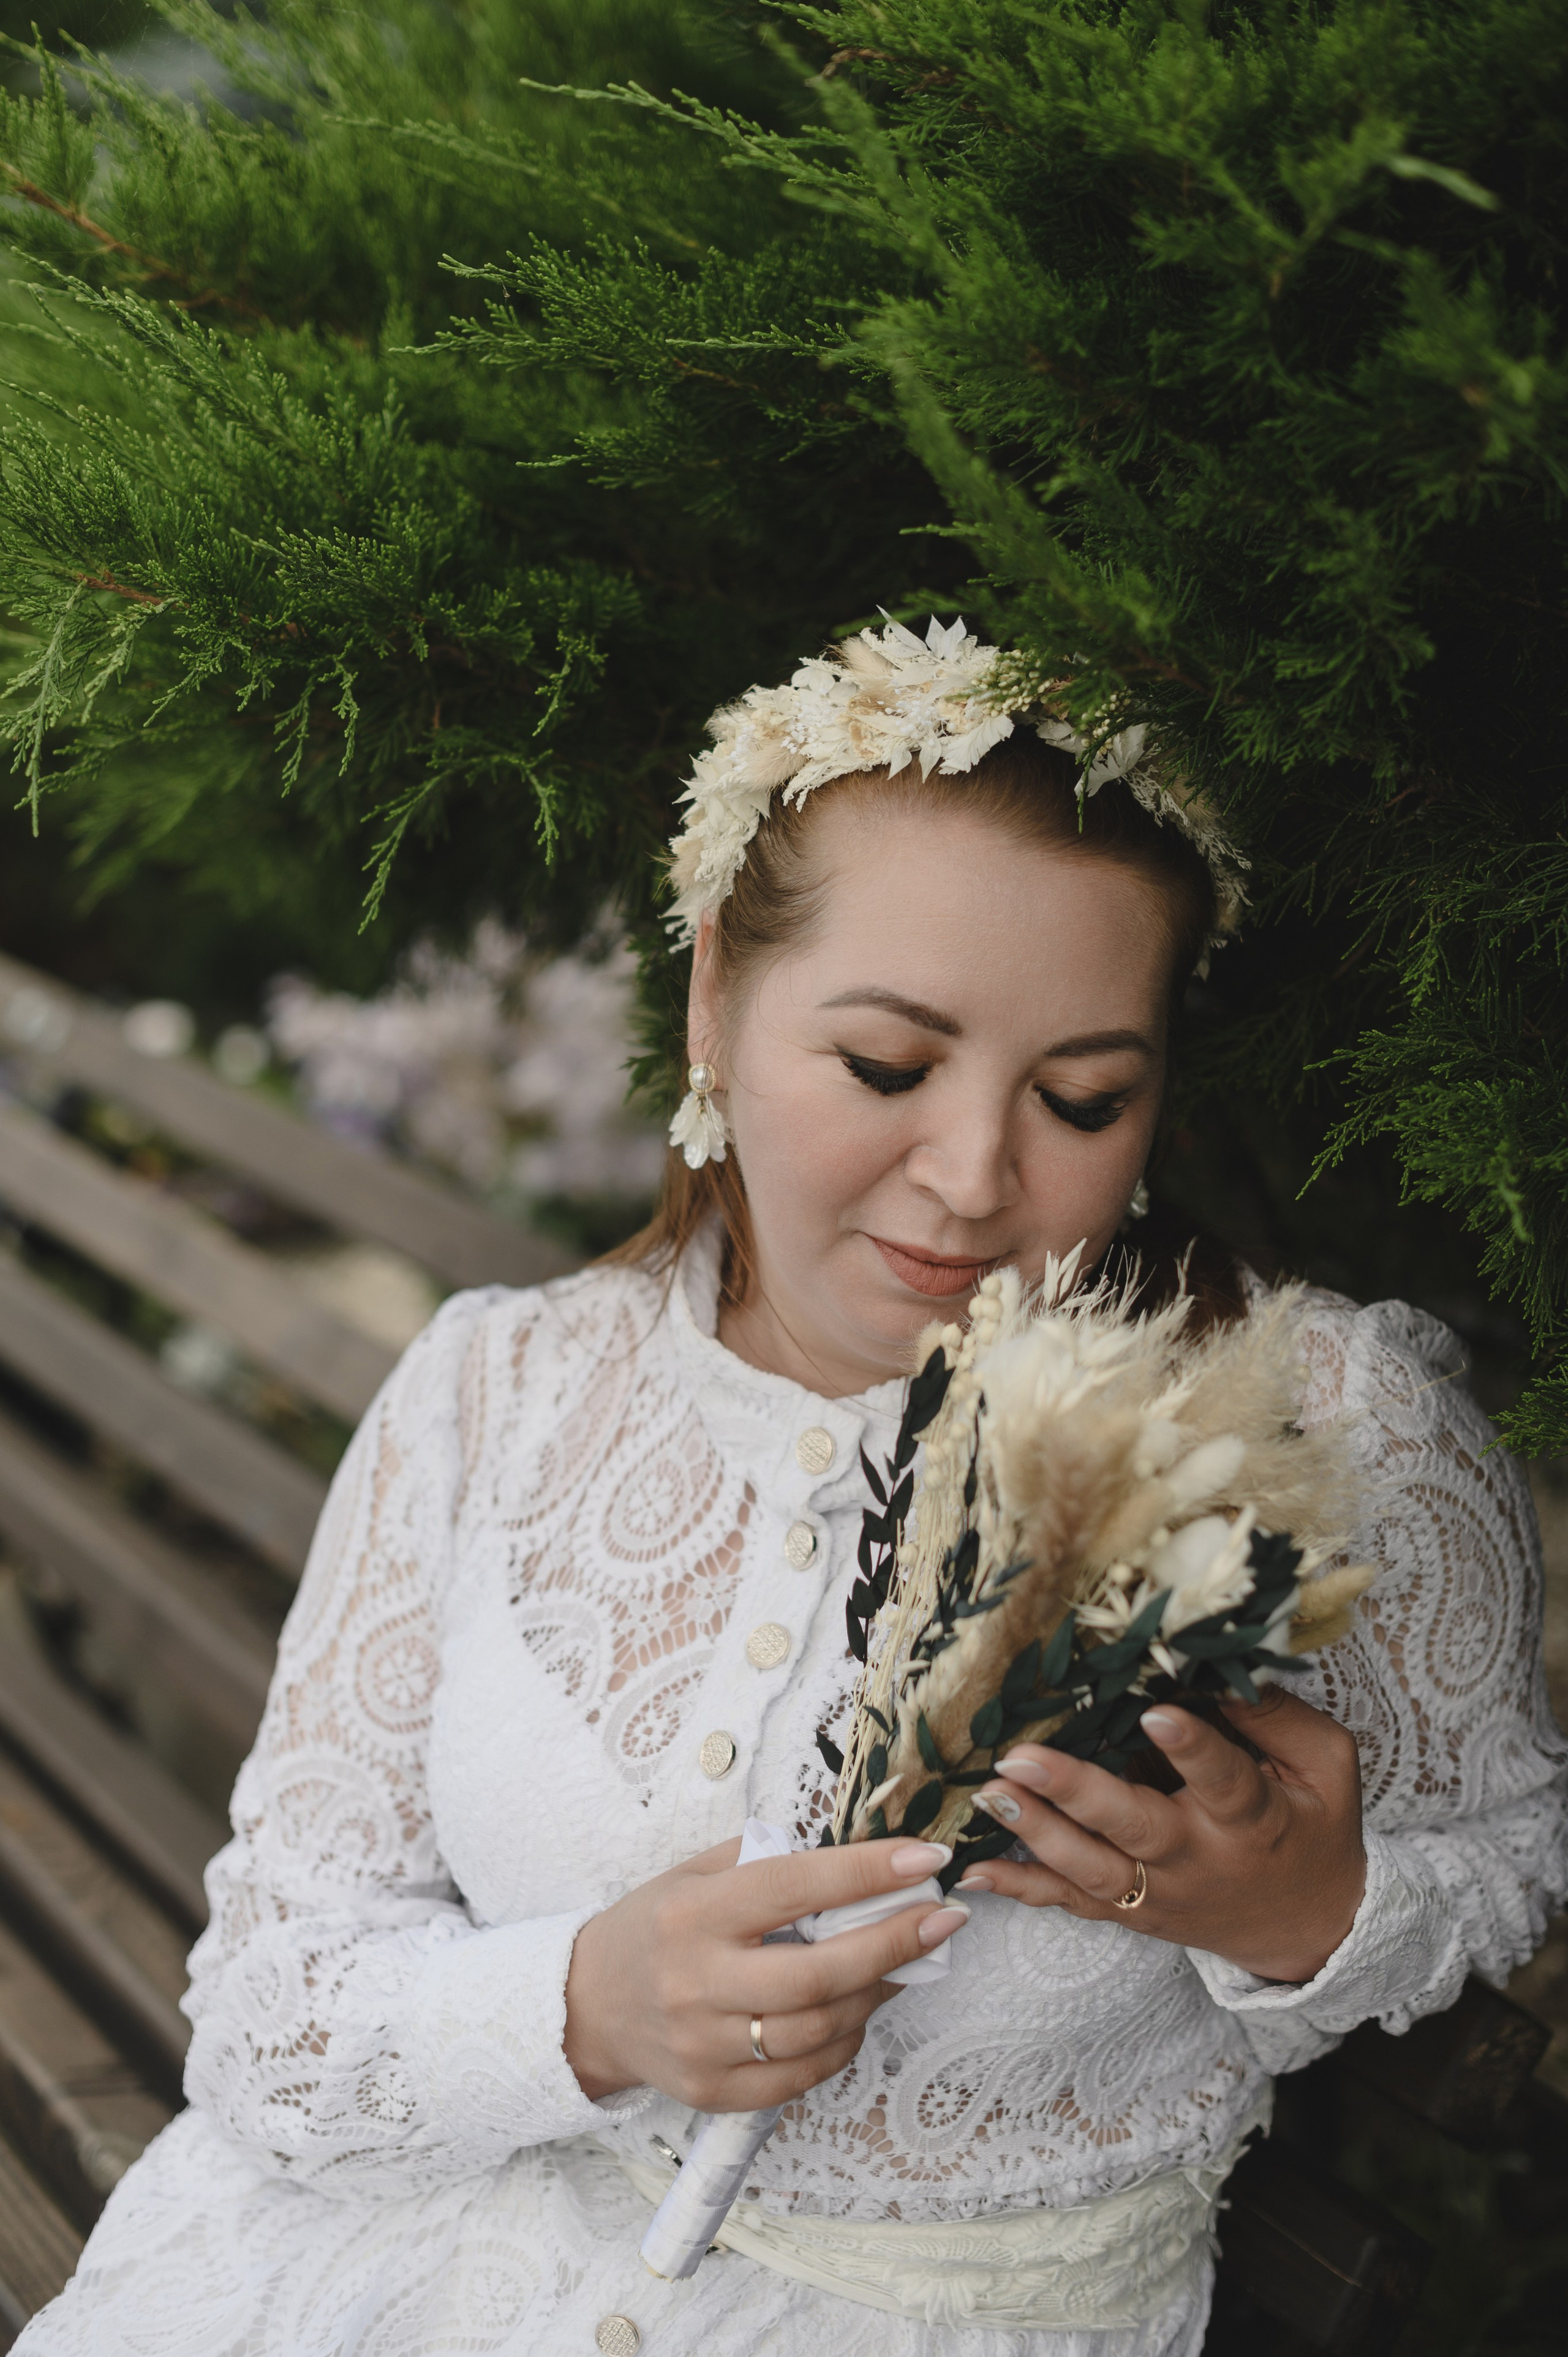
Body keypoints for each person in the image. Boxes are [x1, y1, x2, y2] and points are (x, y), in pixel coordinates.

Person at [20, 619, 1566, 2357]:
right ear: (713, 1002)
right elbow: (272, 2010)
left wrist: (1311, 1915)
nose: (974, 1177)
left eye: (1082, 1096)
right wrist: (581, 2008)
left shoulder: (1319, 1416)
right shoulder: (501, 1382)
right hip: (372, 2277)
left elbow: (1511, 1842)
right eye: (888, 1068)